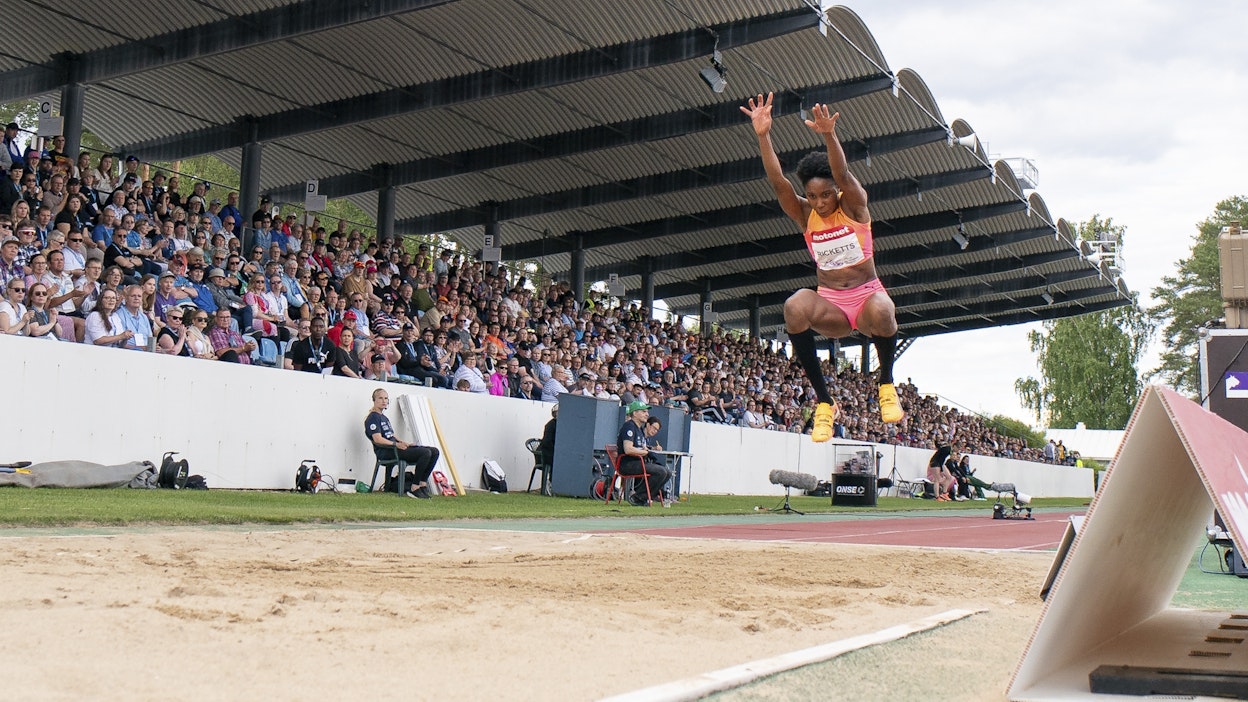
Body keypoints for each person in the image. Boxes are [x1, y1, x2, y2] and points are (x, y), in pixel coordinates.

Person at [741, 94, 903, 443]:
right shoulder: (805, 214)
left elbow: (842, 173)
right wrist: (763, 136)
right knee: (795, 304)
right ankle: (824, 403)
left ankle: (886, 382)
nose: (819, 202)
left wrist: (829, 136)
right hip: (831, 304)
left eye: (825, 195)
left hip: (866, 299)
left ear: (837, 193)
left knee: (885, 309)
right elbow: (778, 183)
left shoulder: (855, 206)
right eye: (812, 197)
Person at [364, 388, 440, 498]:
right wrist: (395, 445)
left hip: (396, 447)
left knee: (434, 451)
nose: (384, 401)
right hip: (388, 451)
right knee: (425, 453)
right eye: (380, 398)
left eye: (386, 398)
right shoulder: (372, 418)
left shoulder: (384, 417)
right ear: (374, 400)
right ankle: (414, 487)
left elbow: (391, 435)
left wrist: (405, 443)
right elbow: (378, 439)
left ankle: (422, 484)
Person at [615, 401, 670, 507]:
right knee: (661, 472)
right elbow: (628, 449)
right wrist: (644, 452)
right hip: (627, 464)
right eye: (643, 411)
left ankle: (642, 497)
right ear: (635, 413)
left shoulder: (639, 429)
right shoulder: (629, 426)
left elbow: (641, 446)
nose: (647, 414)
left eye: (647, 411)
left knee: (667, 472)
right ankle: (638, 497)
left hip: (637, 462)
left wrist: (647, 449)